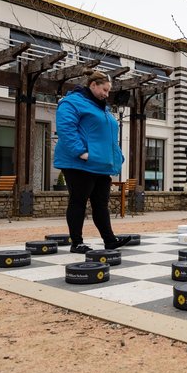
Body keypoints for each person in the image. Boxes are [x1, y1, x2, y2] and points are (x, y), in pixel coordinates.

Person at [54, 69, 132, 254]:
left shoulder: (101, 108)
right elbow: (66, 128)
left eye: (108, 91)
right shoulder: (72, 102)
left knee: (101, 203)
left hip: (100, 163)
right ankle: (77, 243)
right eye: (104, 90)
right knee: (78, 201)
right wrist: (81, 152)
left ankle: (109, 240)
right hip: (79, 163)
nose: (106, 94)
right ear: (93, 85)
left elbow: (109, 136)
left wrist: (117, 156)